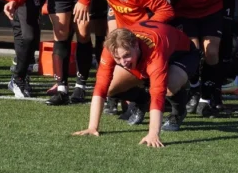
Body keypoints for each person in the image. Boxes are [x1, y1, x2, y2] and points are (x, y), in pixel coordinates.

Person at [72, 21, 200, 146]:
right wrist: (92, 127)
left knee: (168, 85)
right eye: (117, 58)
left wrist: (153, 134)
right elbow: (100, 87)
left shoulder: (155, 53)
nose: (123, 62)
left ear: (136, 45)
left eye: (126, 55)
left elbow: (158, 94)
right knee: (110, 88)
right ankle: (142, 100)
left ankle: (178, 112)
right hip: (149, 54)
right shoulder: (112, 48)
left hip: (182, 54)